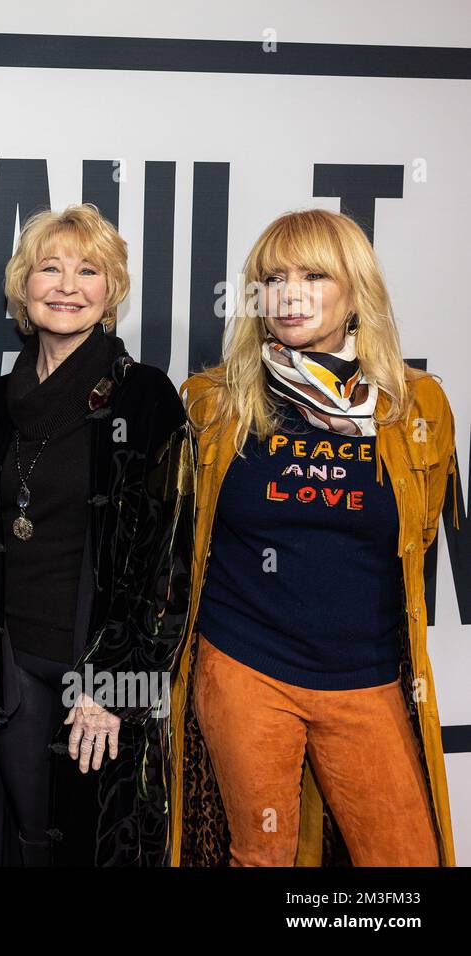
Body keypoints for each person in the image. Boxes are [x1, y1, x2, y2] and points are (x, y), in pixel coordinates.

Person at [171, 208, 457, 866]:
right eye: (273, 278)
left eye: (313, 275)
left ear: (356, 292)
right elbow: (181, 546)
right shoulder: (213, 403)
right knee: (261, 856)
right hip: (245, 665)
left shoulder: (416, 407)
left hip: (368, 676)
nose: (289, 293)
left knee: (405, 863)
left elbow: (415, 541)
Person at [0, 204, 191, 867]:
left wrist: (117, 685)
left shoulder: (145, 398)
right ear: (23, 285)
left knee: (97, 848)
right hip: (13, 665)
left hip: (98, 677)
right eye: (50, 267)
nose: (67, 285)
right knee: (23, 841)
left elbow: (170, 563)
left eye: (88, 269)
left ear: (112, 291)